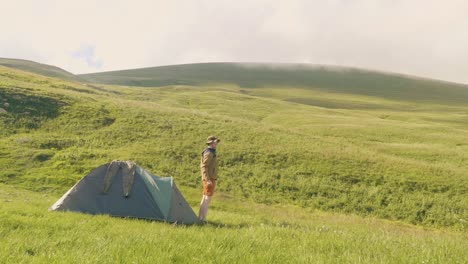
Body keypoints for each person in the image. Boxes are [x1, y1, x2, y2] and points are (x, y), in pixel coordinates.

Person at [198, 135, 220, 222]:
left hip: (210, 178)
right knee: (207, 199)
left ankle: (200, 218)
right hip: (209, 179)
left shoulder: (211, 151)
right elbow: (204, 166)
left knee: (204, 198)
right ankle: (202, 219)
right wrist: (207, 179)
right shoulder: (209, 153)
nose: (216, 144)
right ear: (211, 143)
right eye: (215, 142)